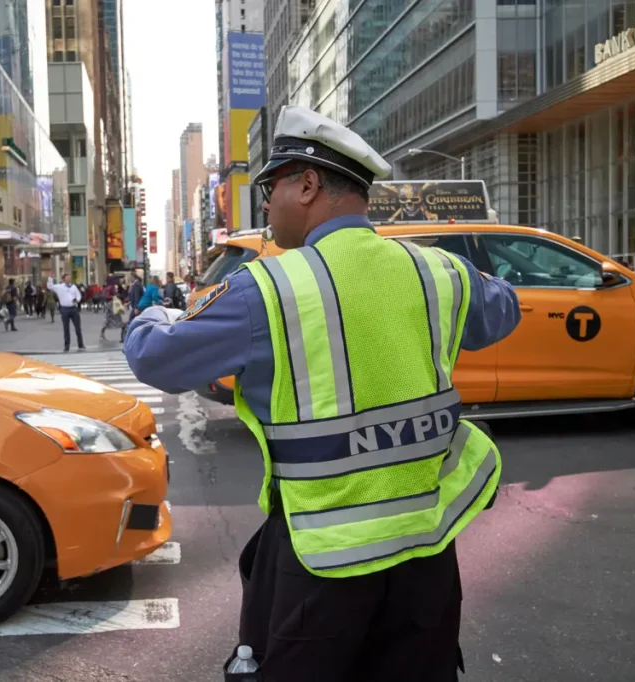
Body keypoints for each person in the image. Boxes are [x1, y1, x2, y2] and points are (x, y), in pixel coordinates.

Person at [123, 105, 522, 681]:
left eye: (271, 185)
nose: (264, 202)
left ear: (308, 184)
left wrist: (152, 312)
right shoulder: (437, 271)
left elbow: (155, 358)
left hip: (323, 561)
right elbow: (502, 307)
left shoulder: (269, 288)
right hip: (426, 557)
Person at [47, 273, 86, 351]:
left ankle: (80, 344)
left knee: (78, 327)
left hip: (73, 308)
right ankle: (67, 345)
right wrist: (50, 278)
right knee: (66, 328)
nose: (69, 279)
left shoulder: (74, 287)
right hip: (65, 309)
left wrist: (77, 300)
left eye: (69, 278)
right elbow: (50, 286)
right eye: (67, 278)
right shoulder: (59, 287)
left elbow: (79, 295)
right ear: (63, 279)